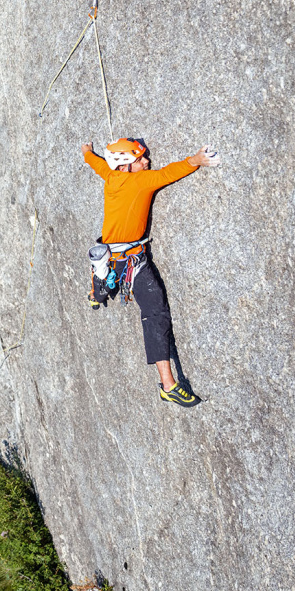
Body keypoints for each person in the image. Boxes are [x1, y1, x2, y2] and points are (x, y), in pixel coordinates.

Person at [81, 138, 220, 407]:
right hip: (131, 260)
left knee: (105, 283)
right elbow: (169, 173)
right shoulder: (140, 181)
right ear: (125, 166)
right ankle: (168, 386)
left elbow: (96, 164)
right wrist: (196, 160)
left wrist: (87, 151)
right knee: (155, 311)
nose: (147, 162)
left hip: (112, 254)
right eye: (140, 160)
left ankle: (96, 291)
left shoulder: (111, 177)